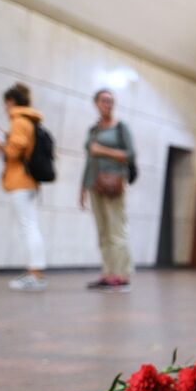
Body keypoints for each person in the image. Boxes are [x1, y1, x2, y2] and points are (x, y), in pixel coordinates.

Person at [0, 83, 47, 291]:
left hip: (21, 180)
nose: (5, 108)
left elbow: (13, 152)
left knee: (28, 226)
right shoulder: (29, 120)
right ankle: (34, 272)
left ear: (11, 101)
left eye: (6, 104)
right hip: (28, 181)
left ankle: (35, 274)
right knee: (29, 225)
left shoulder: (20, 121)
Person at [80, 89, 136, 291]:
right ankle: (108, 273)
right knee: (102, 231)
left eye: (111, 101)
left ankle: (122, 274)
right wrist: (83, 188)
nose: (108, 104)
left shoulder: (121, 128)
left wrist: (102, 150)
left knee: (116, 230)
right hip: (95, 183)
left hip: (114, 184)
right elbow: (89, 159)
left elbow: (130, 154)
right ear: (96, 103)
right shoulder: (93, 130)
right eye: (103, 100)